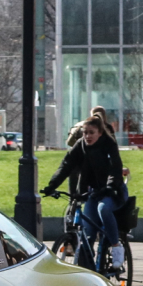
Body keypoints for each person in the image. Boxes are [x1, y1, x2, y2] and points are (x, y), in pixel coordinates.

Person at [43, 115, 127, 272]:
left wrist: (109, 186)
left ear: (100, 133)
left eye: (91, 132)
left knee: (103, 209)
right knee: (87, 234)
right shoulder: (80, 145)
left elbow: (115, 168)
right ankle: (89, 268)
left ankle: (116, 248)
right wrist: (52, 185)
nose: (87, 136)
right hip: (94, 192)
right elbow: (66, 165)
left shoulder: (108, 145)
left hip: (113, 191)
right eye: (85, 132)